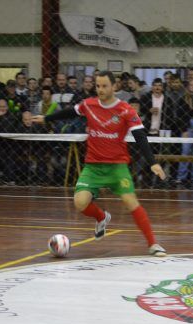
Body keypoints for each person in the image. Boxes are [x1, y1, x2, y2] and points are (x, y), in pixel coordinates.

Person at [32, 70, 168, 256]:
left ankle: (153, 244)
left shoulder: (126, 110)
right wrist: (46, 118)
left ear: (114, 87)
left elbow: (140, 136)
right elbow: (70, 112)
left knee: (131, 203)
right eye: (98, 86)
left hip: (117, 167)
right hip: (93, 167)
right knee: (80, 203)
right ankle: (102, 217)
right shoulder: (89, 105)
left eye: (104, 86)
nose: (100, 89)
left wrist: (153, 162)